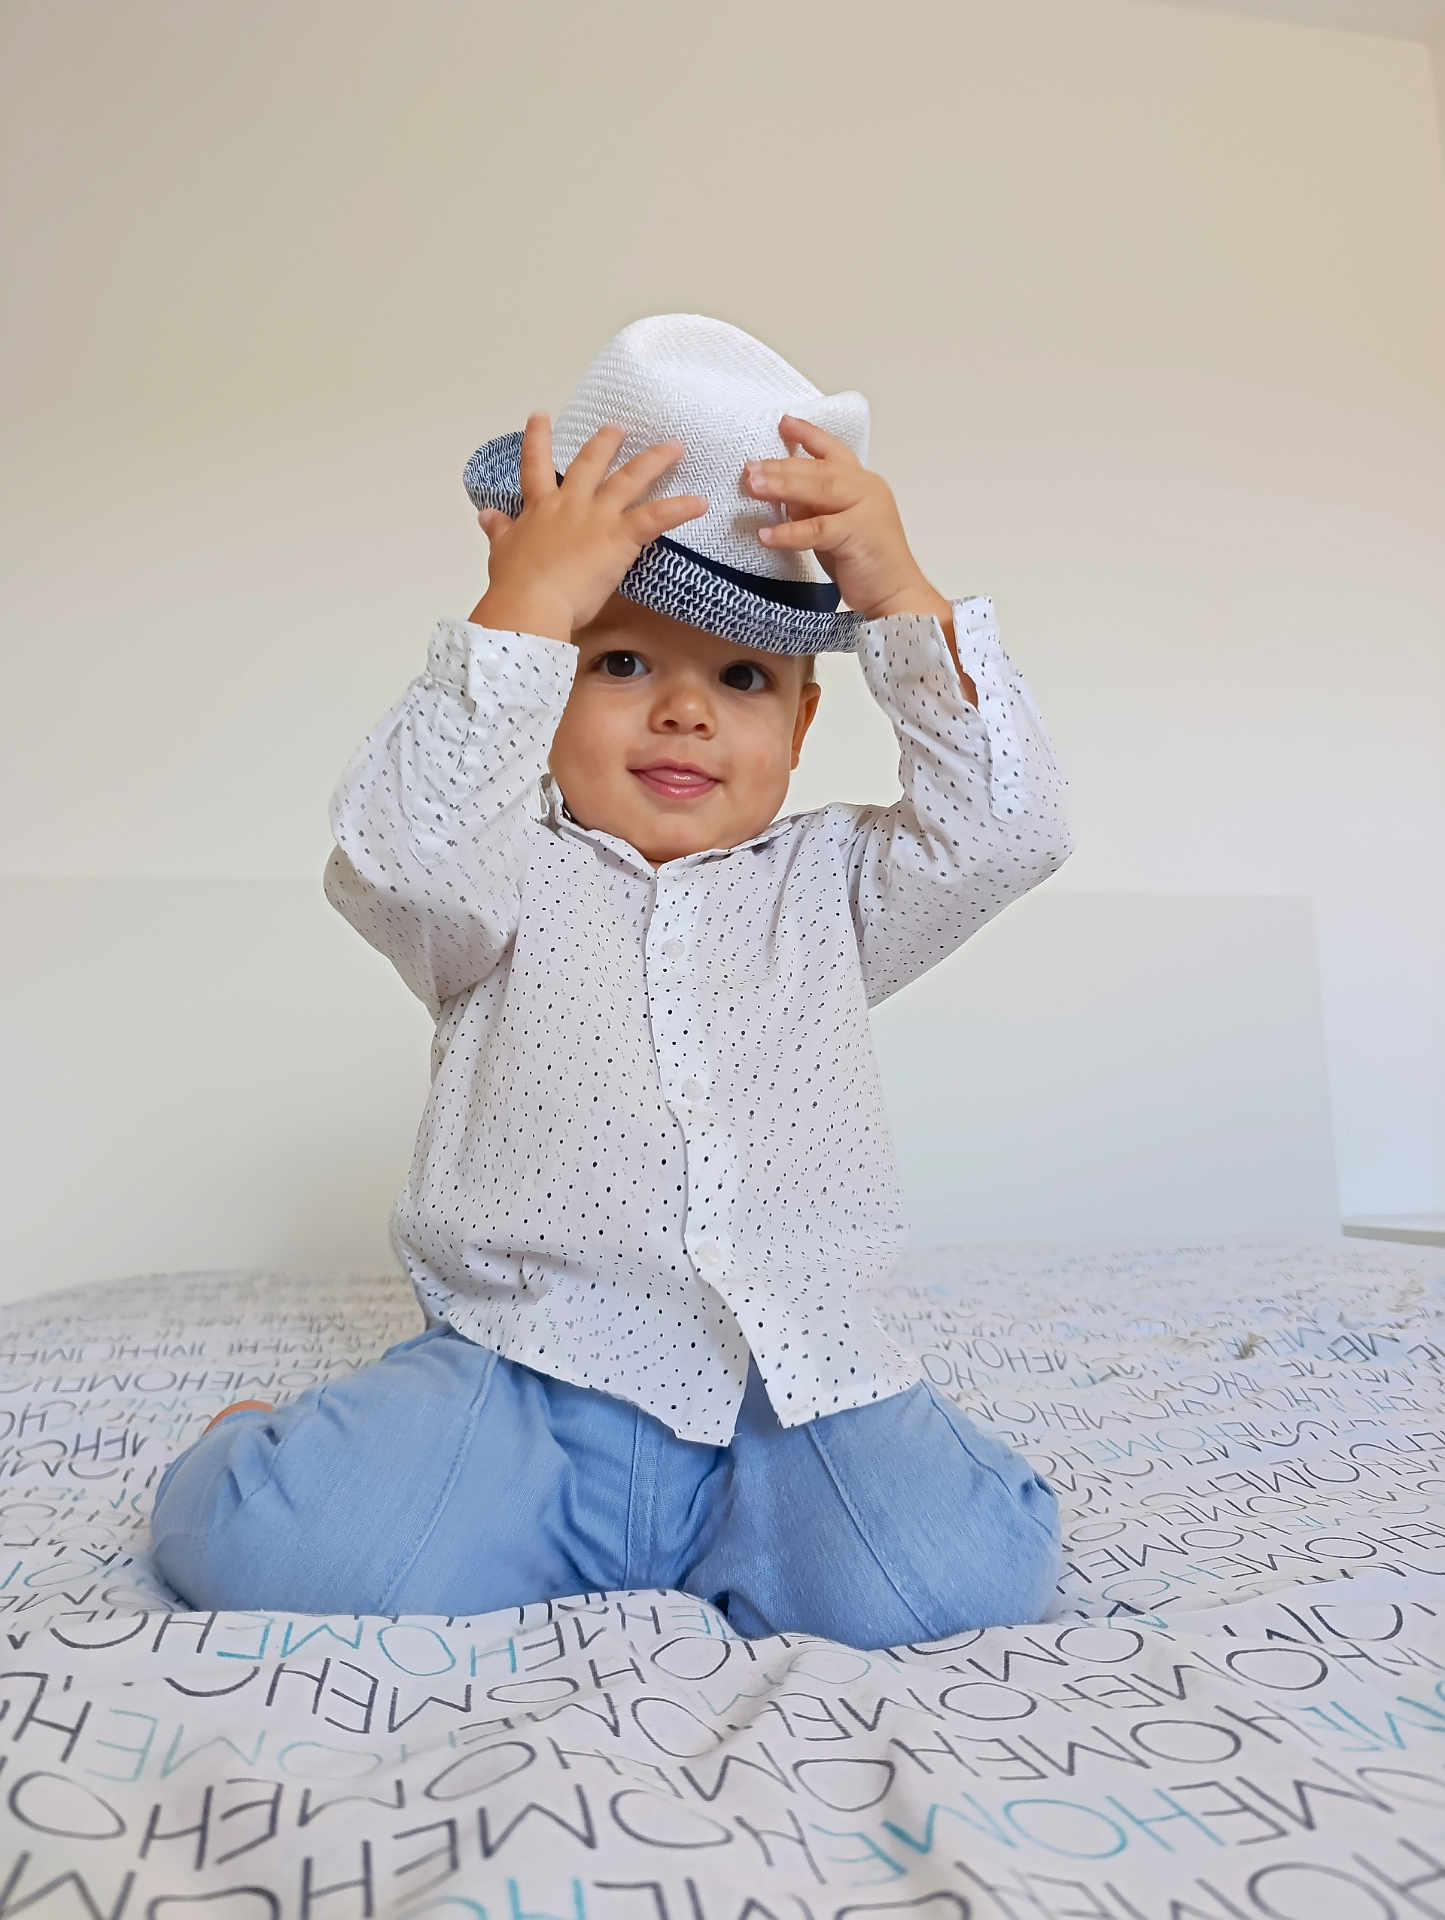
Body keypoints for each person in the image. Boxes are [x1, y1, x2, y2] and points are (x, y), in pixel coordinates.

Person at [148, 314, 1073, 1649]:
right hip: (528, 1382)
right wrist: (523, 609)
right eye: (620, 660)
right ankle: (241, 1448)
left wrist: (899, 599)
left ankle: (815, 1521)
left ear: (802, 720)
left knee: (953, 1584)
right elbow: (394, 857)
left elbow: (1009, 830)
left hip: (787, 1393)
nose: (684, 710)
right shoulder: (494, 877)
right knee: (293, 1547)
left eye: (743, 676)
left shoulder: (832, 888)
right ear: (545, 692)